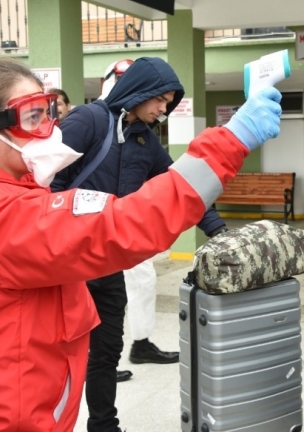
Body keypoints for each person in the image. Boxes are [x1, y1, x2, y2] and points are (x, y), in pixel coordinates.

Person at [0, 57, 282, 432]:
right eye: (33, 117)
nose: (51, 129)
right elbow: (131, 223)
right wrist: (234, 138)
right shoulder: (5, 215)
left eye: (49, 111)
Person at [50, 57, 228, 432]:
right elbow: (46, 181)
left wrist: (222, 234)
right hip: (66, 263)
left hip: (107, 262)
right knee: (56, 355)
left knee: (106, 353)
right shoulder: (88, 121)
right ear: (139, 91)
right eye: (160, 99)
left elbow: (185, 187)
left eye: (169, 101)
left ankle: (104, 425)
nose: (164, 108)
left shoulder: (145, 140)